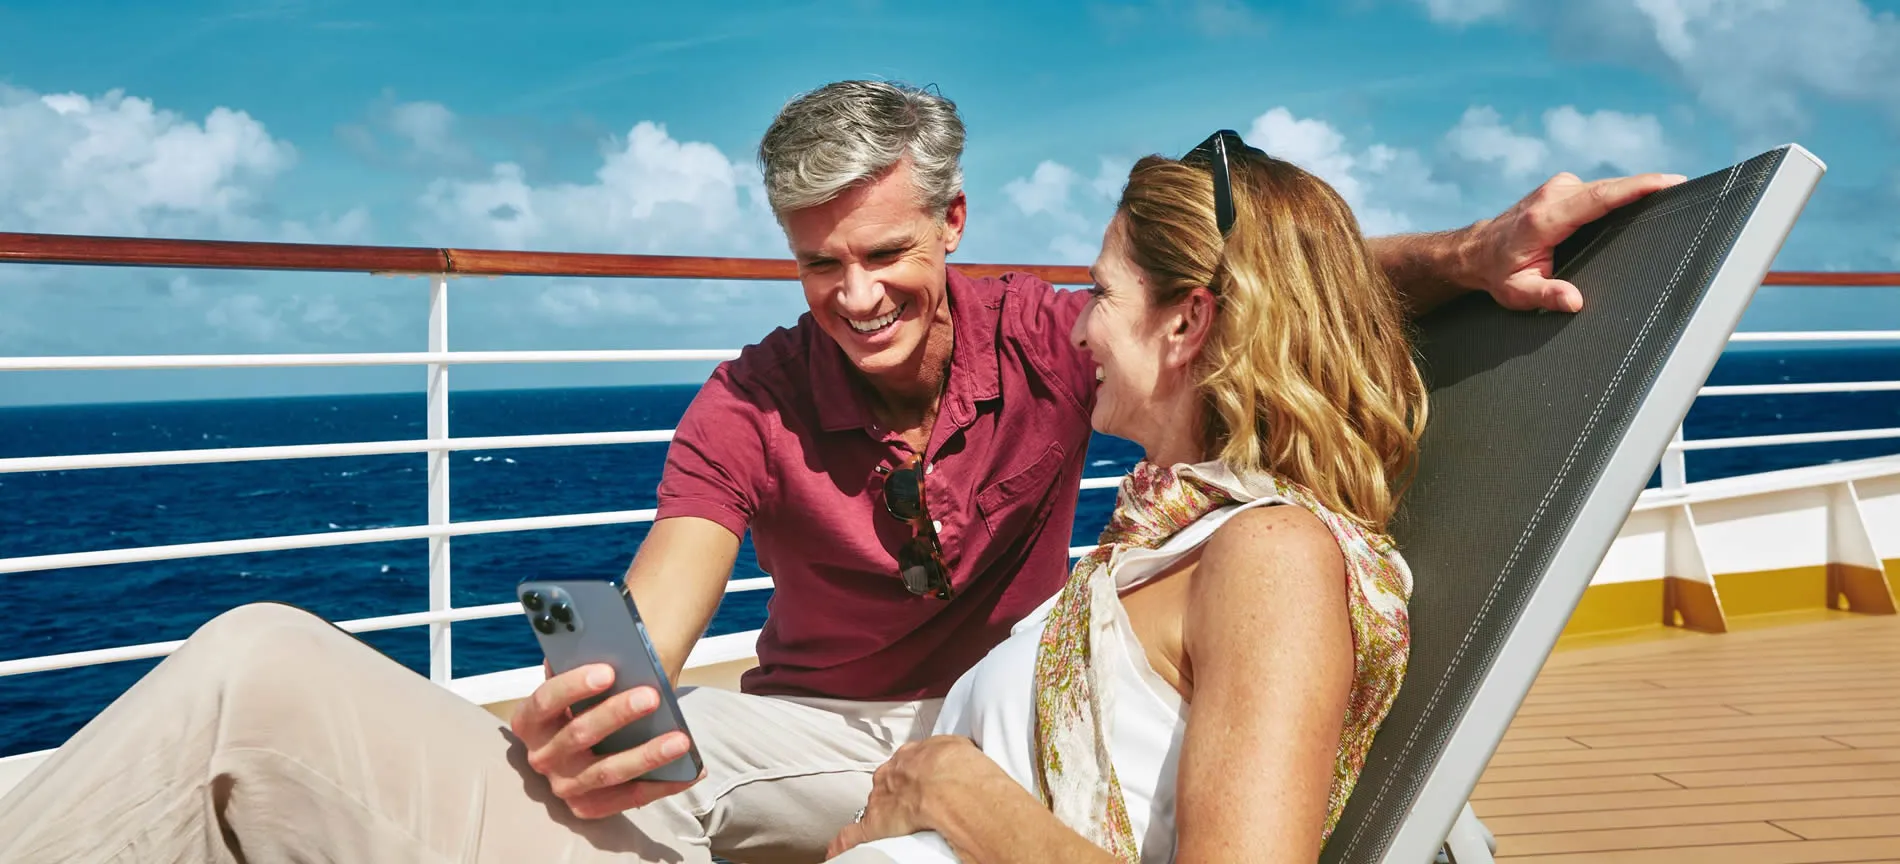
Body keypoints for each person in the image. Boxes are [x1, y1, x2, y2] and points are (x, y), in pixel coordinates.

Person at [0, 81, 1681, 864]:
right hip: (817, 739)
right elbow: (665, 586)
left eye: (884, 252)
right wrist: (604, 691)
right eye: (818, 266)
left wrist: (1465, 247)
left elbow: (1257, 287)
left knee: (248, 673)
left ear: (952, 226)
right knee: (544, 745)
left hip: (940, 760)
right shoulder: (770, 405)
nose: (854, 292)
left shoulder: (1195, 494)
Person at [826, 130, 1420, 863]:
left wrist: (951, 789)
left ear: (1186, 321)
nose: (1078, 330)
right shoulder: (1158, 543)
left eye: (1102, 293)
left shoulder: (1273, 555)